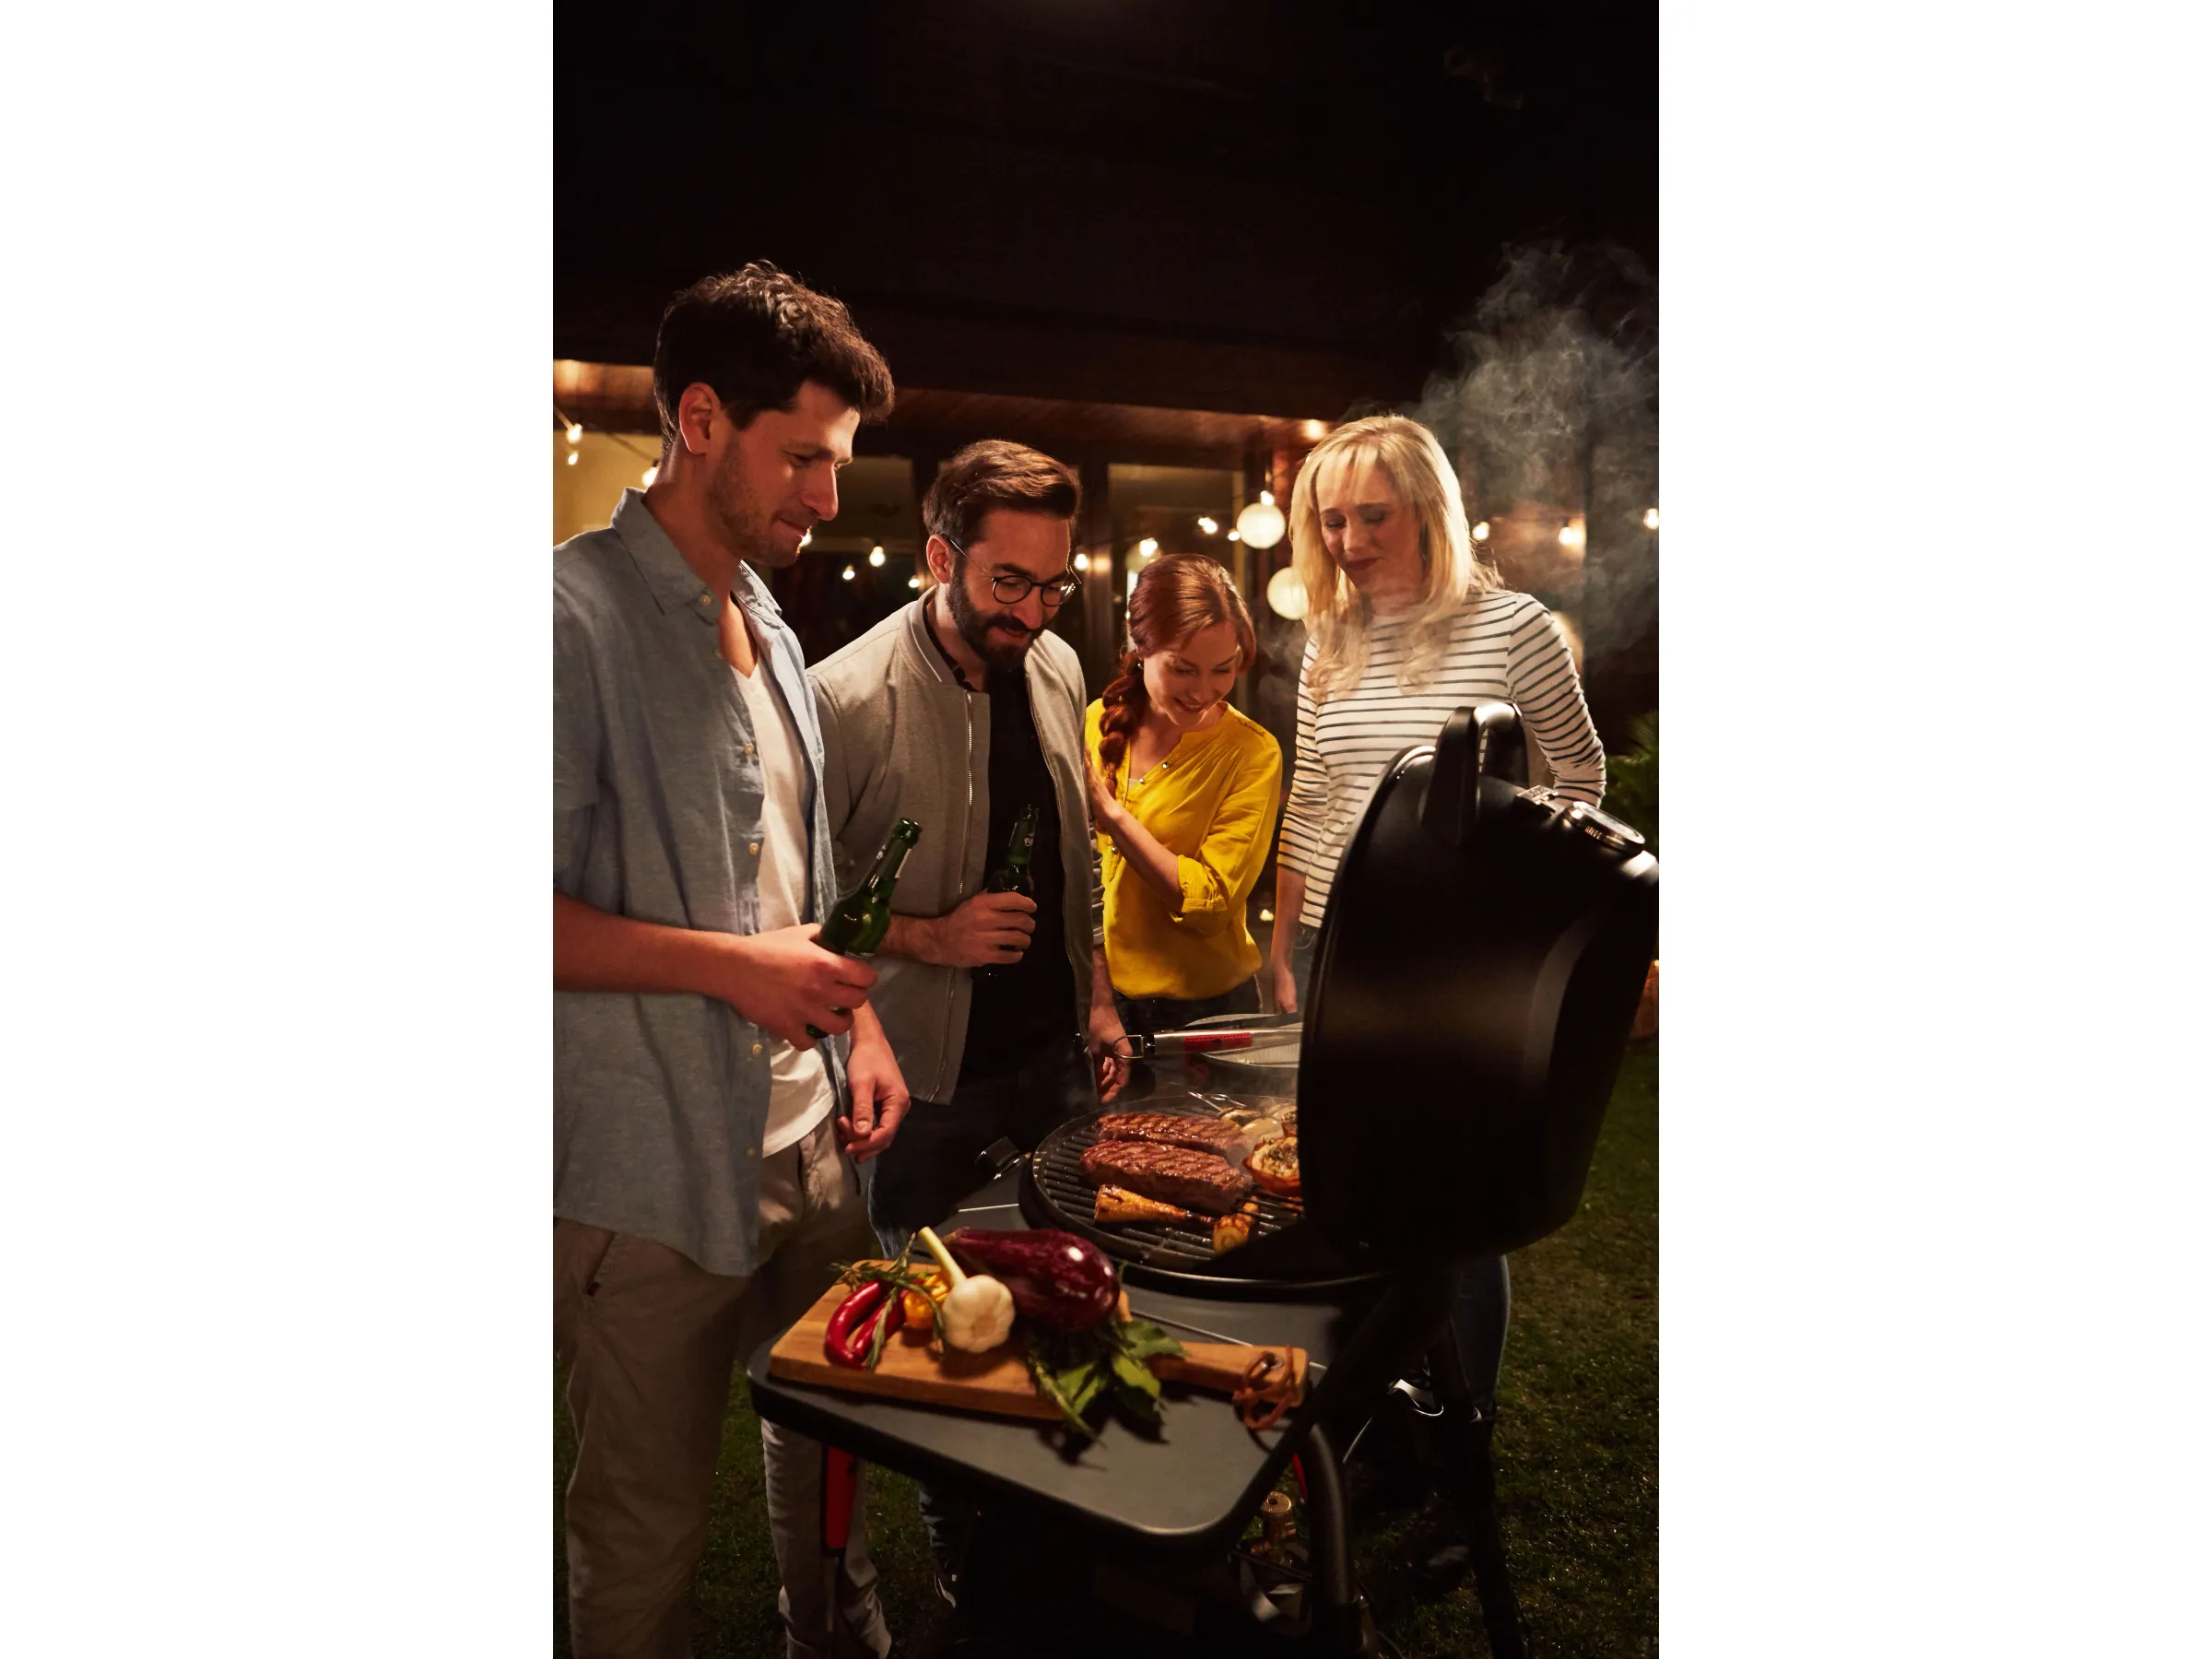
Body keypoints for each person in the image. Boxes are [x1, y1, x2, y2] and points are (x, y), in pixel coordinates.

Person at [554, 264, 910, 1659]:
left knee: (830, 1450)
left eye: (838, 465)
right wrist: (733, 968)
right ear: (700, 420)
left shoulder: (769, 617)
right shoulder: (563, 621)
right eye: (803, 458)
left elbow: (798, 890)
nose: (826, 495)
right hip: (646, 1176)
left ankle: (837, 1637)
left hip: (813, 1144)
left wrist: (858, 1028)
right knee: (643, 1535)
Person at [1265, 412, 1606, 1574]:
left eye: (1374, 516)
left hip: (1457, 969)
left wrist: (1510, 910)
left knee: (1455, 1207)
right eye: (1333, 520)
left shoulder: (1515, 630)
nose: (1350, 541)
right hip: (1340, 954)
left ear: (1430, 512)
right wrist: (1284, 942)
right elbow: (1314, 799)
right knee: (1351, 1188)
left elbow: (1578, 778)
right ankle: (1389, 1432)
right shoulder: (1330, 641)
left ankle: (1463, 1457)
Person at [810, 441, 1128, 1251]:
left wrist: (1096, 999)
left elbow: (1075, 855)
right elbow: (799, 907)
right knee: (937, 1305)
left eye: (1054, 586)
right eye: (1009, 582)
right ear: (942, 558)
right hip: (924, 1088)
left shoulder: (1057, 665)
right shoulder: (843, 700)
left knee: (1074, 1284)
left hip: (1058, 1064)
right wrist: (932, 937)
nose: (1033, 613)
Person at [1082, 554, 1282, 1041]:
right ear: (1139, 647)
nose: (1203, 691)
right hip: (1099, 997)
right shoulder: (1094, 721)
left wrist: (1110, 814)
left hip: (1205, 1010)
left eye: (1222, 670)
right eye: (1183, 669)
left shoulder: (1252, 752)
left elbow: (1211, 903)